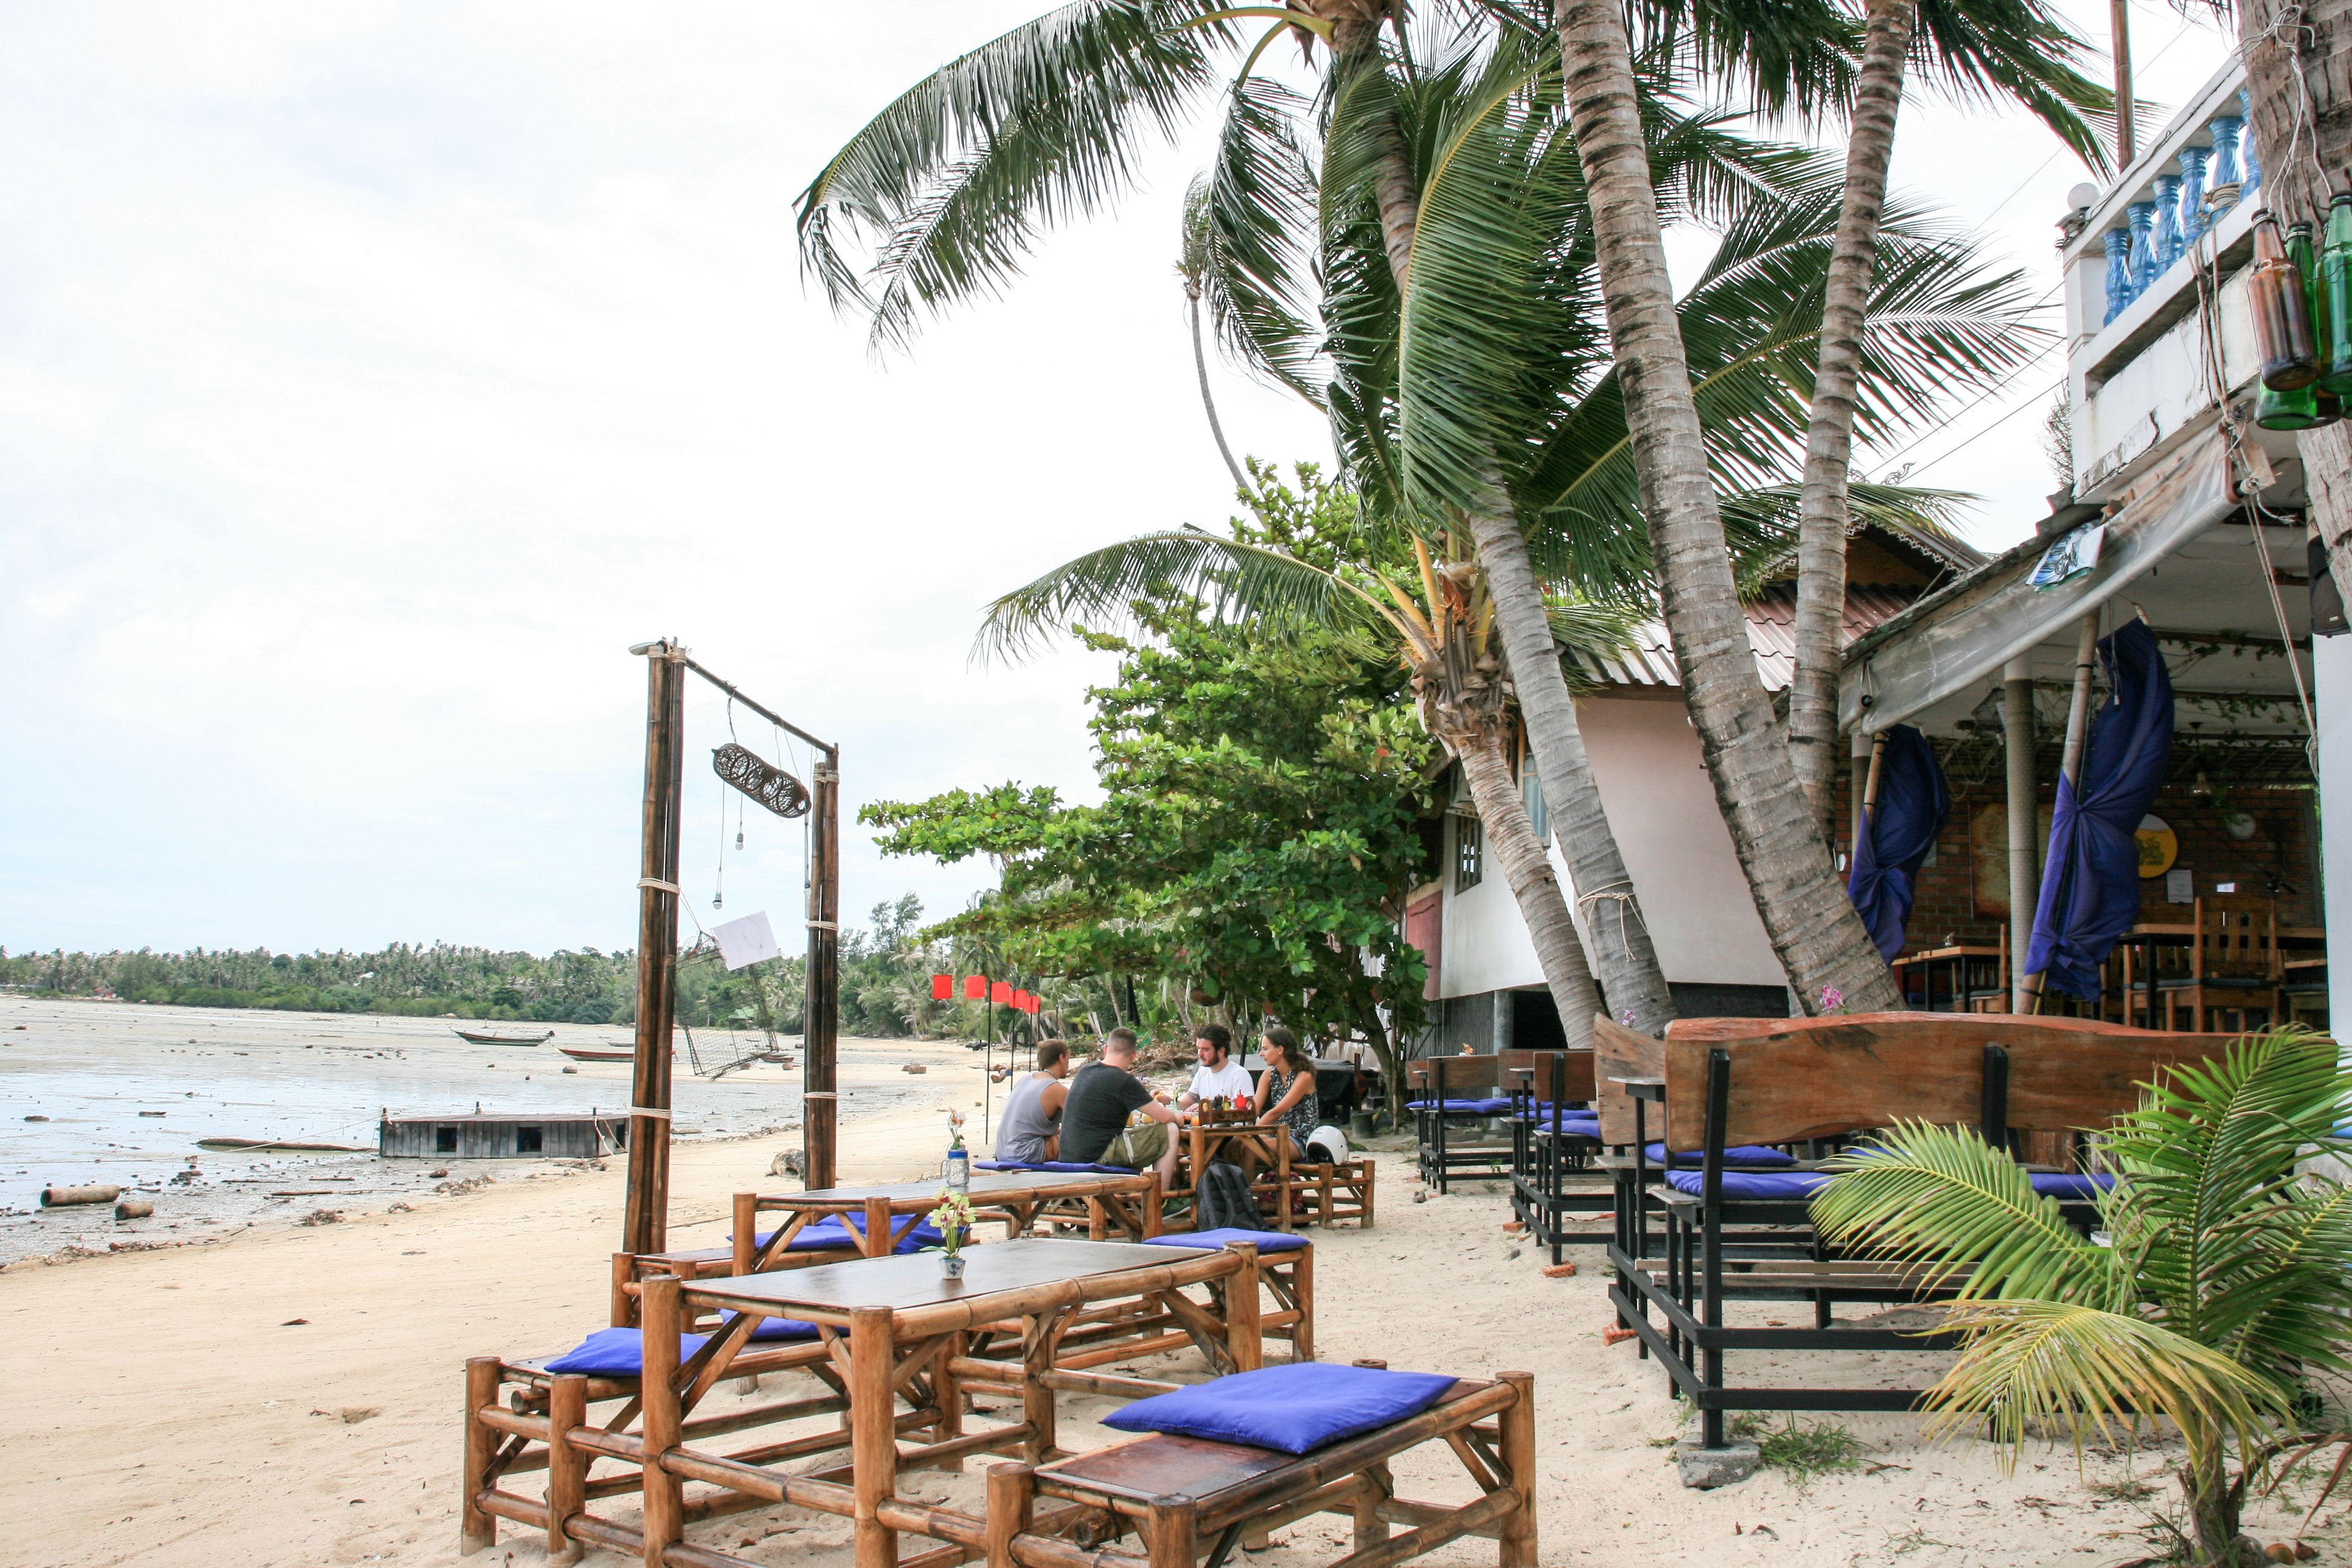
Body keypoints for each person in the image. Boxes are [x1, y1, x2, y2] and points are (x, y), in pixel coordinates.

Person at [1058, 1027, 1180, 1183]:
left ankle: (1138, 1192)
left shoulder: (1085, 1070)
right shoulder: (1123, 1080)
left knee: (1134, 1138)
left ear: (1106, 1049)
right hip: (1096, 1159)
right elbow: (1166, 1117)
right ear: (1134, 1056)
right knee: (1170, 1130)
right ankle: (1160, 1194)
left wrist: (1145, 1100)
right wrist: (1178, 1117)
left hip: (1069, 1159)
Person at [994, 1039, 1071, 1164]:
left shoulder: (1026, 1079)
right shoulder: (1056, 1089)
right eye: (1069, 1059)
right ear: (1061, 1058)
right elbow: (1080, 1123)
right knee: (1077, 1138)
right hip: (1023, 1154)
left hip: (1002, 1152)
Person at [1252, 1026, 1321, 1161]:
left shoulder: (1304, 1076)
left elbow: (1277, 1112)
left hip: (1301, 1138)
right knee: (1237, 1145)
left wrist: (1250, 1133)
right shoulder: (1268, 1075)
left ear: (1280, 1050)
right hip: (1278, 1132)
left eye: (1265, 1049)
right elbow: (1253, 1110)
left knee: (1251, 1148)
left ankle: (1243, 1177)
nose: (1261, 1054)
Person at [1176, 1023, 1253, 1113]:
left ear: (1221, 1051)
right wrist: (1169, 1102)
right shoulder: (1202, 1072)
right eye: (1199, 1049)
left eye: (1206, 1050)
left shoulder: (1239, 1075)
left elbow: (1246, 1109)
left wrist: (1208, 1106)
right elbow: (1188, 1100)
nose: (1200, 1054)